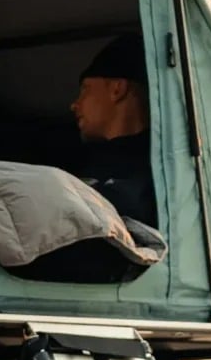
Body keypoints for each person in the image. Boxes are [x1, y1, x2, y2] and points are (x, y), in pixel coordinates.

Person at [66, 33, 157, 226]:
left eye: (85, 89)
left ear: (117, 89)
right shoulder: (82, 163)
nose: (74, 105)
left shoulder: (158, 172)